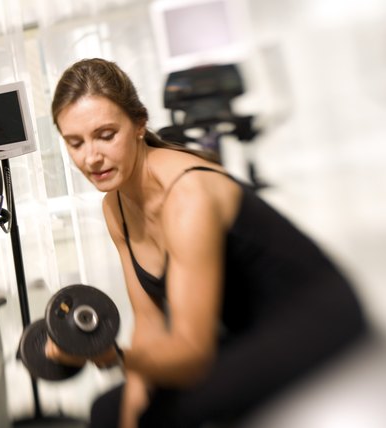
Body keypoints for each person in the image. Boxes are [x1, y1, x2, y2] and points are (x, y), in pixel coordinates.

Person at [46, 58, 367, 427]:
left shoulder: (188, 194)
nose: (91, 157)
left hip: (314, 319)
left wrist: (111, 355)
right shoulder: (114, 206)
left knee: (171, 413)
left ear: (138, 124)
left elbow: (192, 354)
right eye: (75, 143)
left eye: (106, 135)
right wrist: (130, 414)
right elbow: (150, 323)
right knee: (108, 411)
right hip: (246, 333)